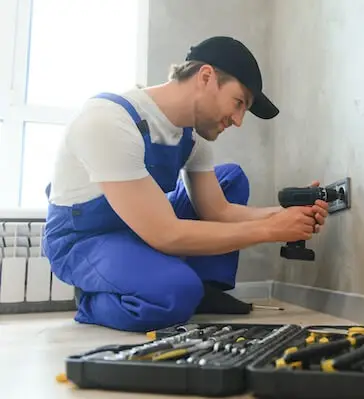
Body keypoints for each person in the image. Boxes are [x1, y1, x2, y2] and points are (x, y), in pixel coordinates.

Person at [42, 36, 329, 333]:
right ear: (206, 77)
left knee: (230, 177)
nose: (239, 119)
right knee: (174, 295)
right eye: (239, 102)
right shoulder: (109, 122)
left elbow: (219, 211)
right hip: (85, 239)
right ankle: (95, 298)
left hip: (140, 227)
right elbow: (165, 233)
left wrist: (285, 215)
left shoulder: (192, 139)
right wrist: (271, 229)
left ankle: (198, 290)